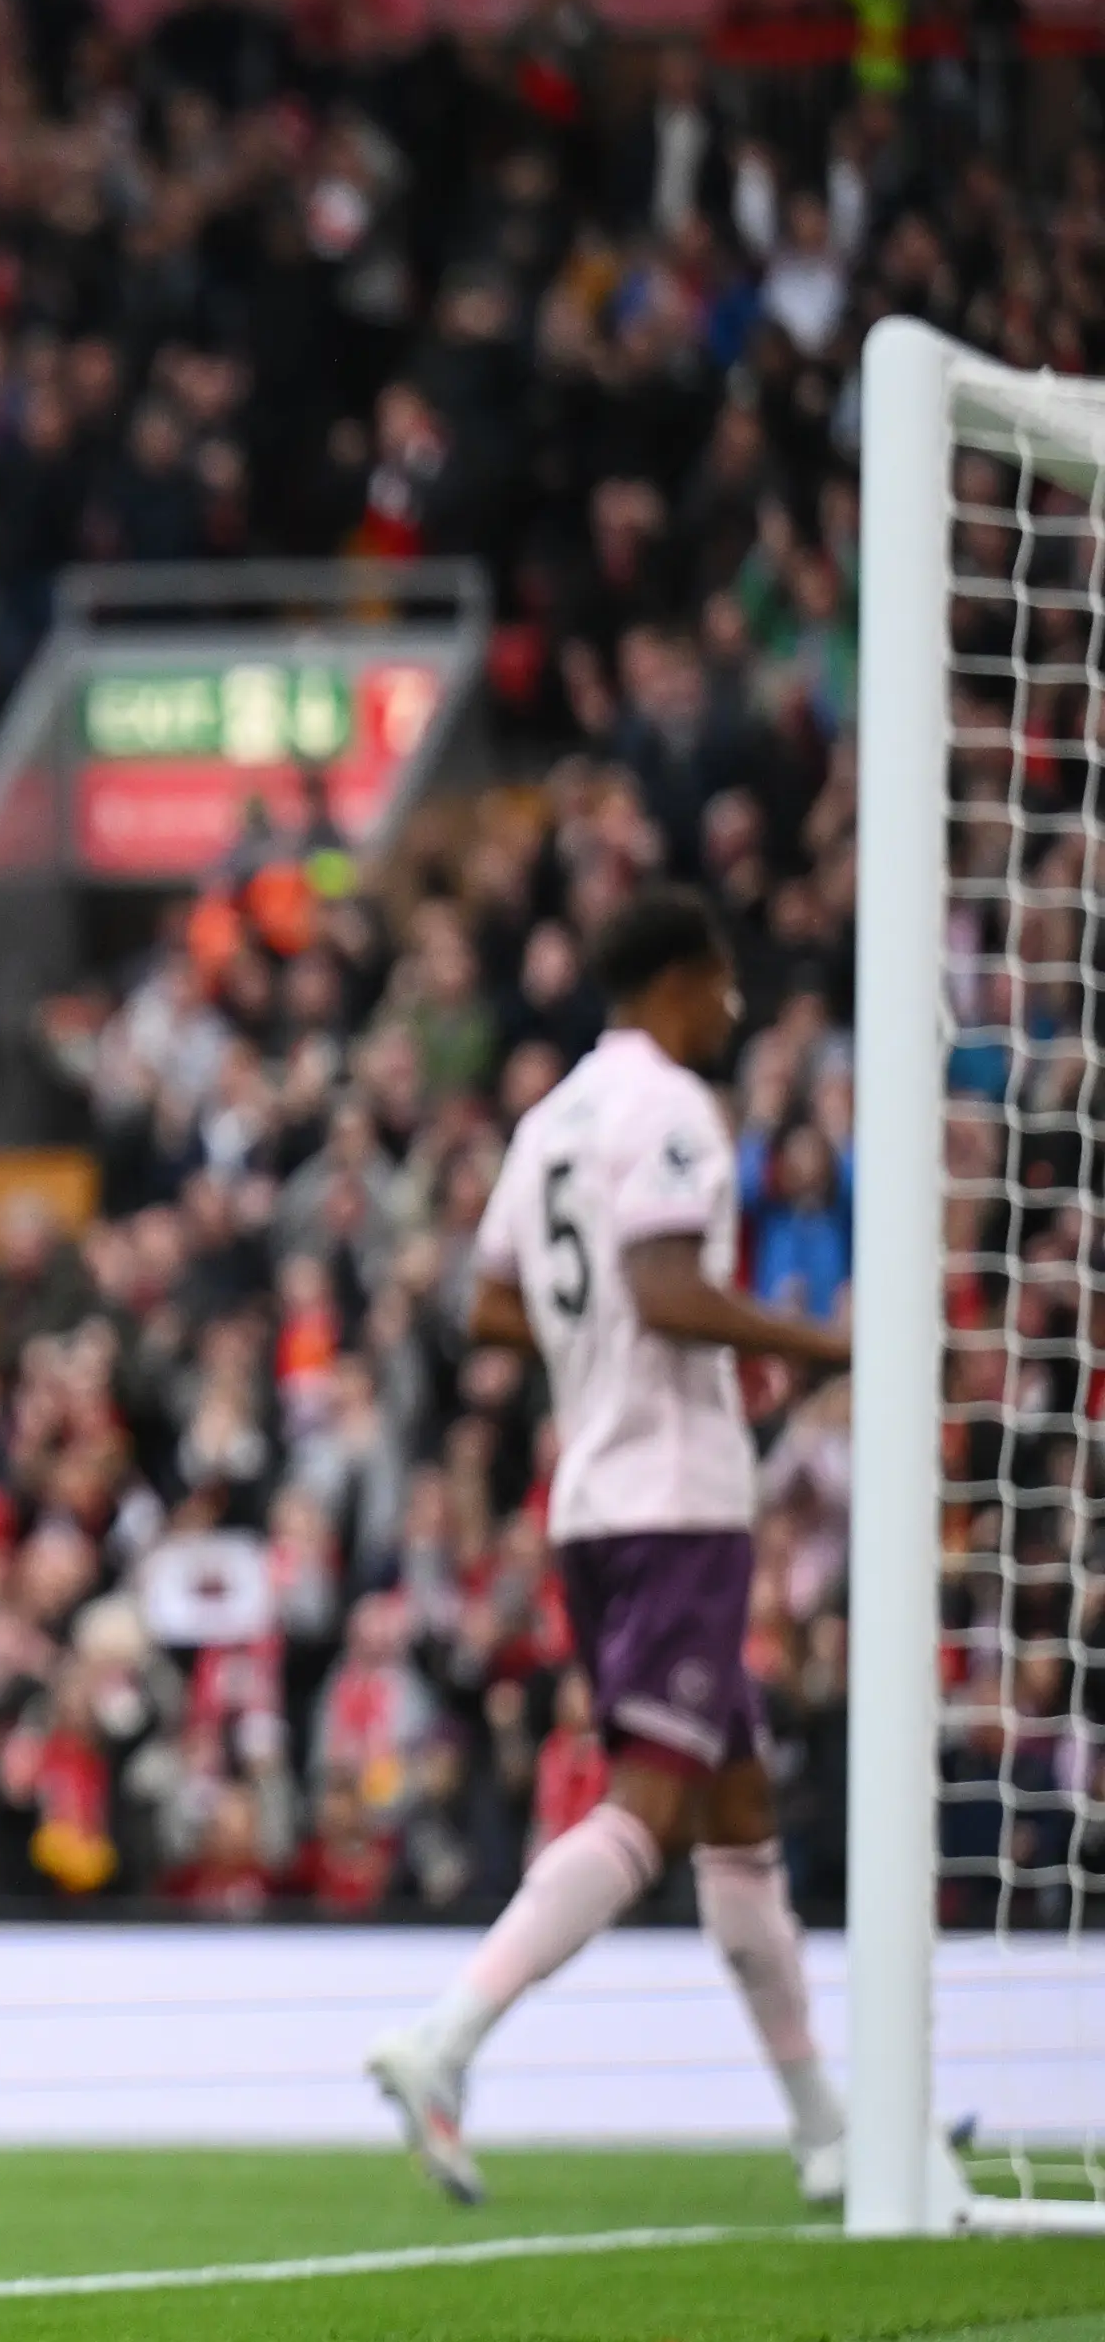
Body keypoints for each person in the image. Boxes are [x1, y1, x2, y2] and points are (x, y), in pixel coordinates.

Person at [368, 888, 853, 2205]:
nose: (735, 1010)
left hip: (593, 1497)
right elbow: (661, 1288)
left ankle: (827, 2135)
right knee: (651, 1799)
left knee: (736, 1812)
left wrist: (598, 1353)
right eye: (724, 986)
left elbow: (488, 1304)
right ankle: (446, 2037)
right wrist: (830, 1345)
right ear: (684, 981)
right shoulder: (675, 1111)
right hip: (674, 1498)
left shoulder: (550, 1121)